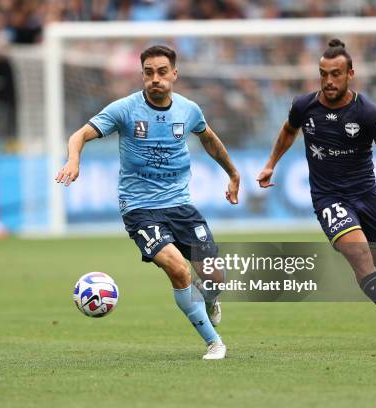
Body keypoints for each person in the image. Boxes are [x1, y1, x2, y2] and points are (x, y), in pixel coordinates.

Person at [56, 45, 240, 360]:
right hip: (139, 209)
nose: (155, 79)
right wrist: (74, 161)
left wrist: (233, 173)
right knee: (178, 269)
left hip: (180, 206)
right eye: (149, 72)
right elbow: (79, 135)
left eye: (162, 72)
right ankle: (214, 342)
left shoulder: (189, 110)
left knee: (213, 276)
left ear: (174, 74)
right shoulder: (124, 109)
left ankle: (210, 299)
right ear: (142, 75)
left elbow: (208, 138)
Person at [257, 39, 376, 340]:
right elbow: (288, 131)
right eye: (323, 73)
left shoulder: (367, 112)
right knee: (359, 255)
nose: (328, 81)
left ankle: (363, 267)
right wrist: (271, 163)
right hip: (329, 198)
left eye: (336, 74)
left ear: (350, 74)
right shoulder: (304, 106)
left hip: (366, 195)